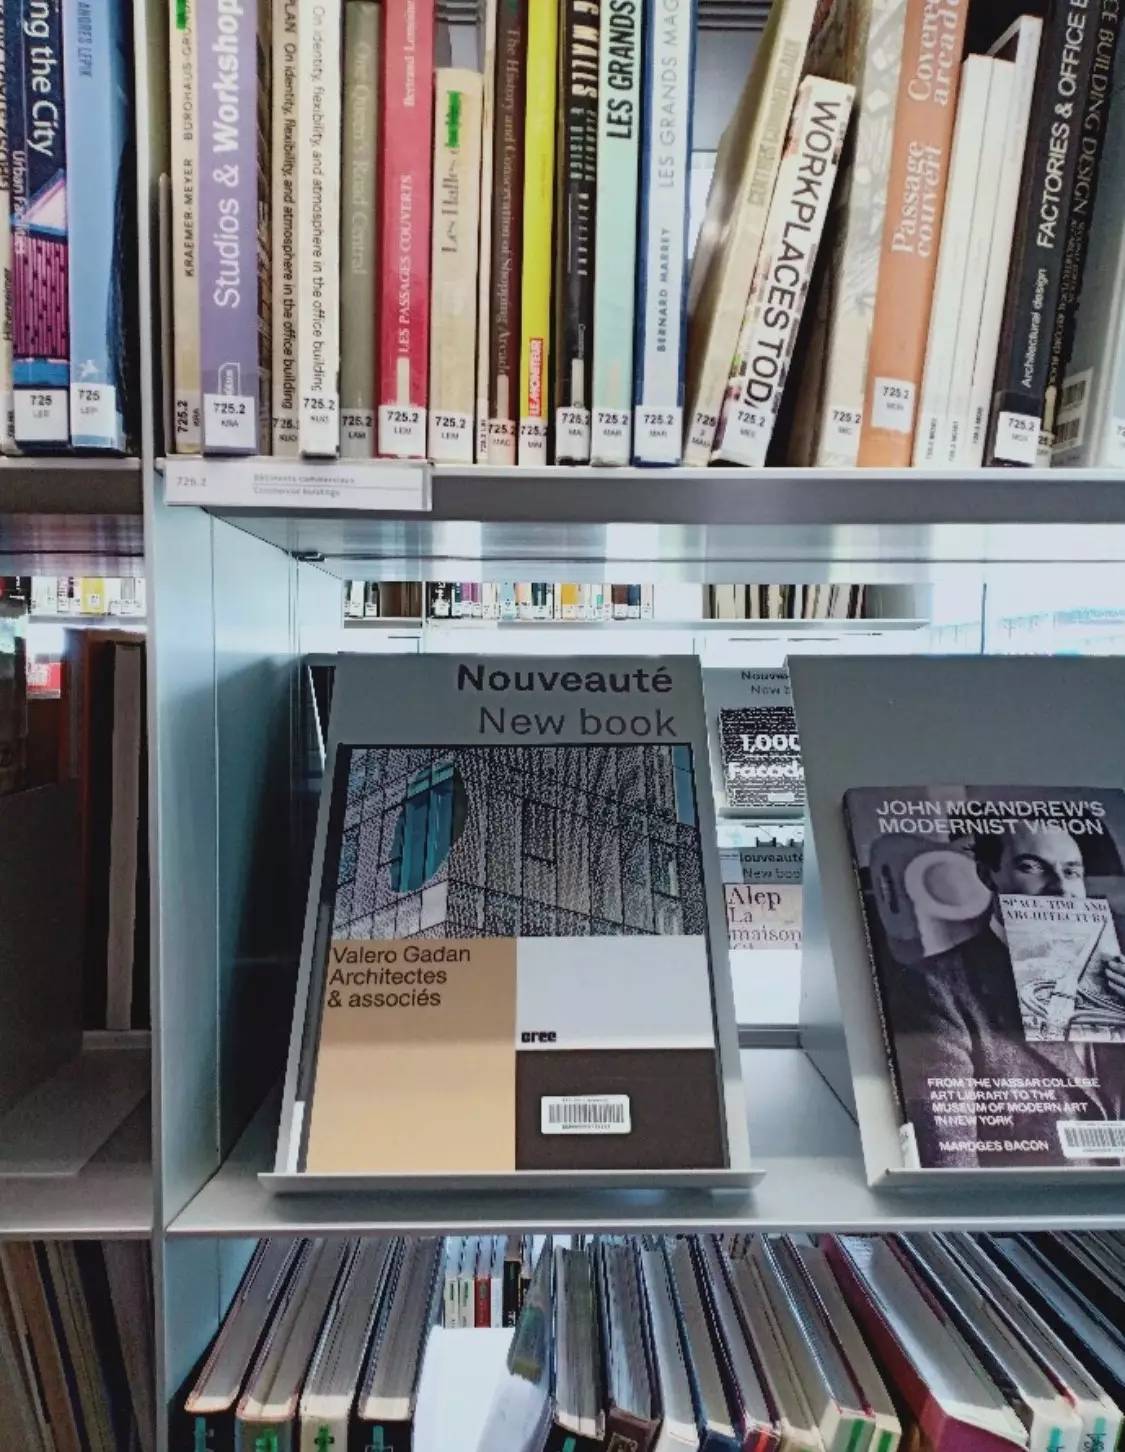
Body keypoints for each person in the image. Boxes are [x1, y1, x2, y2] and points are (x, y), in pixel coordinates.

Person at [889, 820, 1125, 1167]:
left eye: (1072, 872)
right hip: (1038, 1195)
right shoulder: (934, 987)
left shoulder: (1117, 963)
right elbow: (950, 1162)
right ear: (987, 875)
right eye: (1032, 867)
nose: (1061, 889)